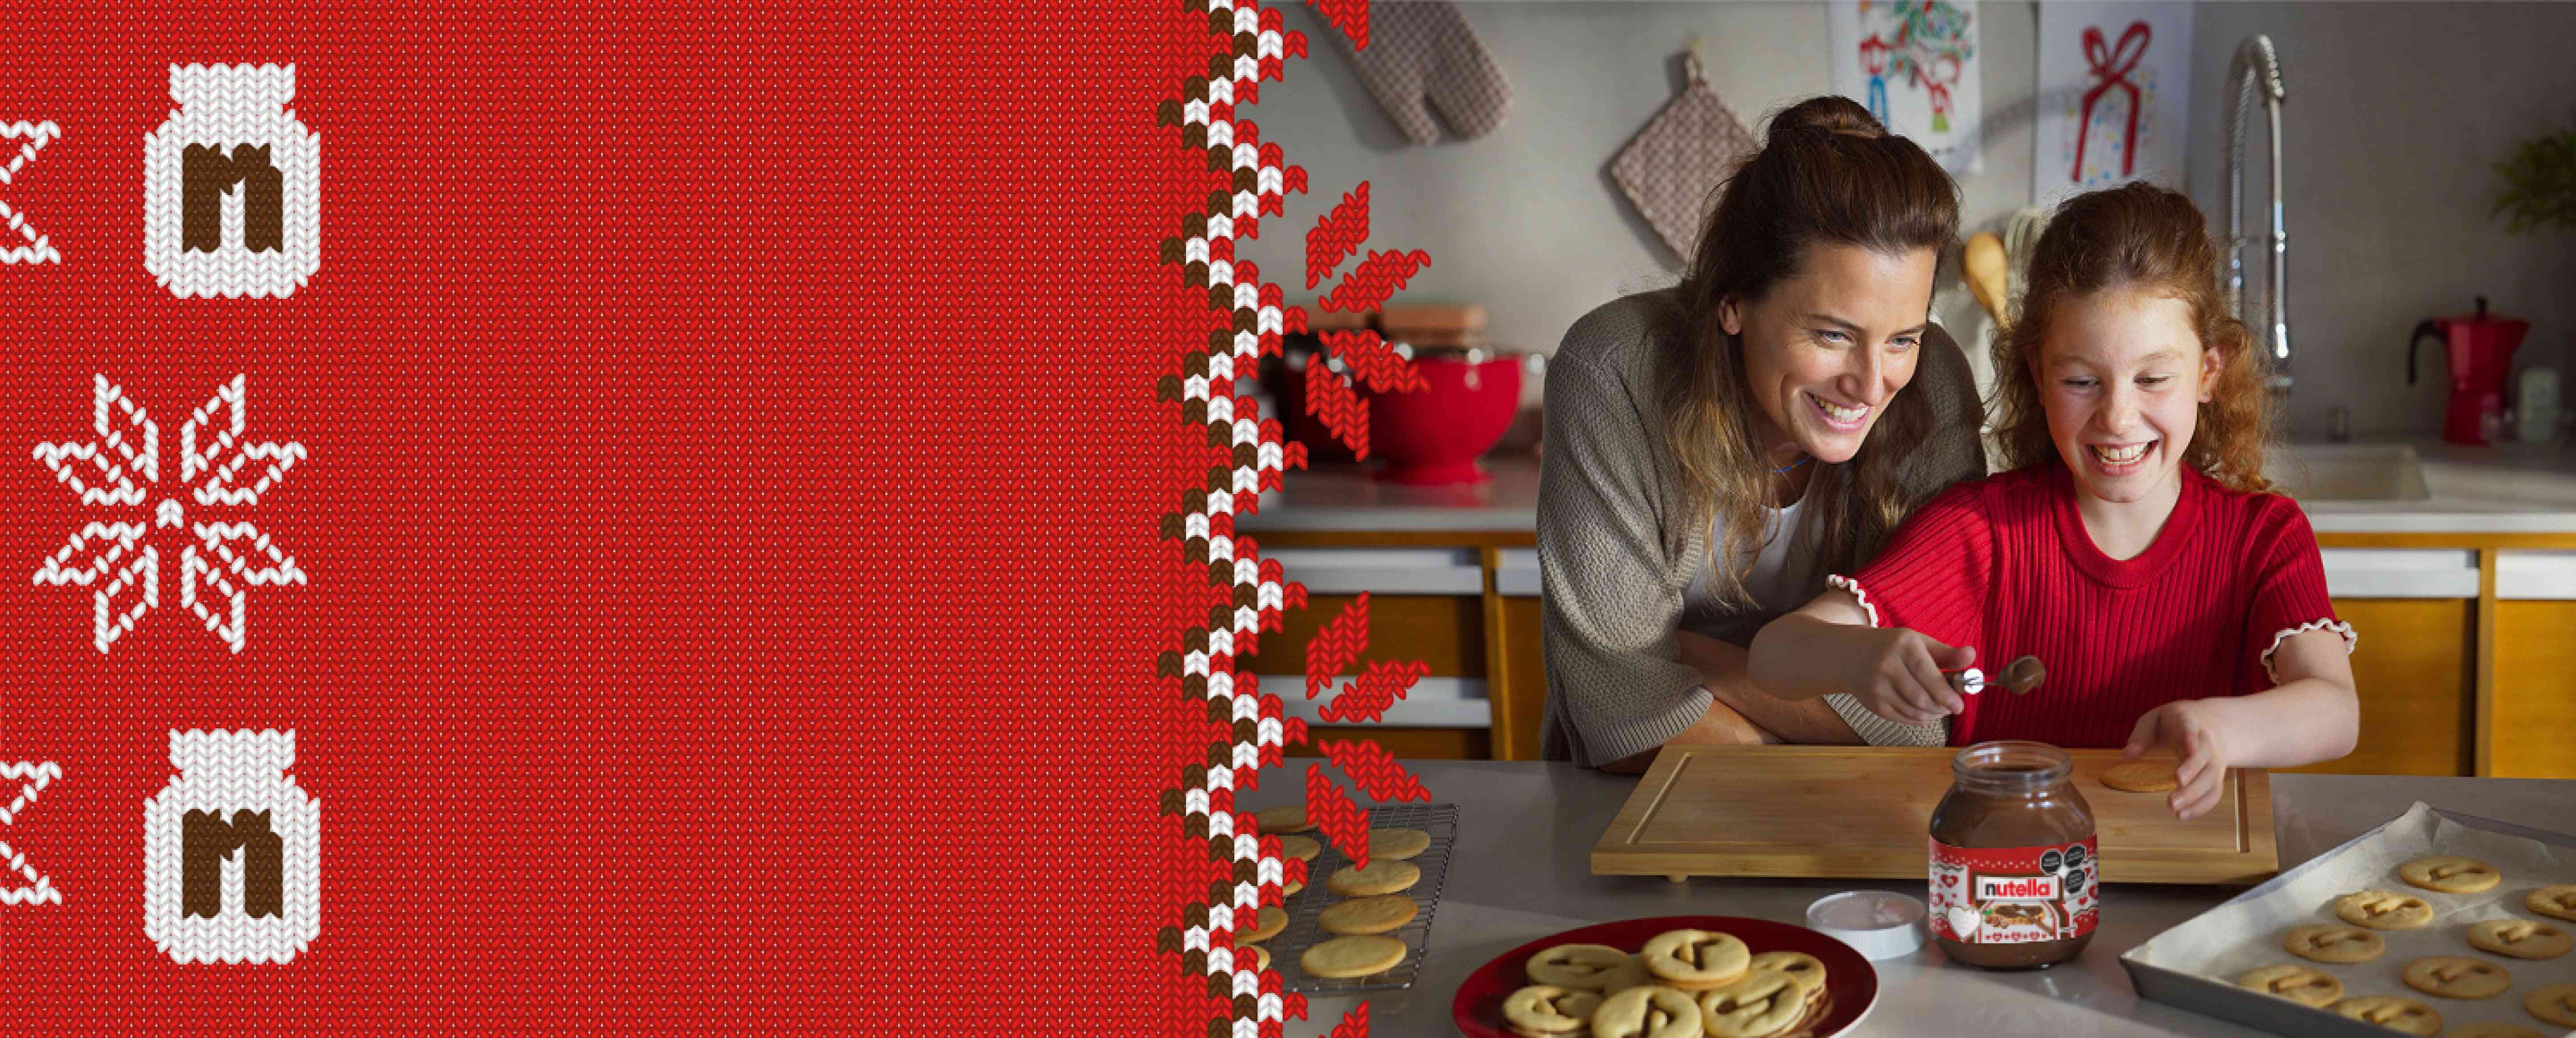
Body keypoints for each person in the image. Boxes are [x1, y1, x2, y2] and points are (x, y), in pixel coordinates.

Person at [1745, 182, 2360, 818]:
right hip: (2007, 875)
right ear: (2038, 376)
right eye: (2081, 381)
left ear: (2208, 372)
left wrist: (2221, 731)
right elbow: (1776, 654)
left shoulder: (2263, 537)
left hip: (2194, 870)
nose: (2118, 417)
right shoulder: (1981, 532)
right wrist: (1859, 657)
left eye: (2152, 378)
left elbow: (2336, 710)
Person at [1537, 96, 1989, 772]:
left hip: (1856, 816)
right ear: (1734, 303)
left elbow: (1926, 727)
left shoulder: (1934, 383)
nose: (1871, 385)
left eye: (1902, 338)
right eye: (1832, 335)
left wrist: (1693, 656)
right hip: (1628, 812)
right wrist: (1820, 726)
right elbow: (1619, 719)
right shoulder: (1613, 372)